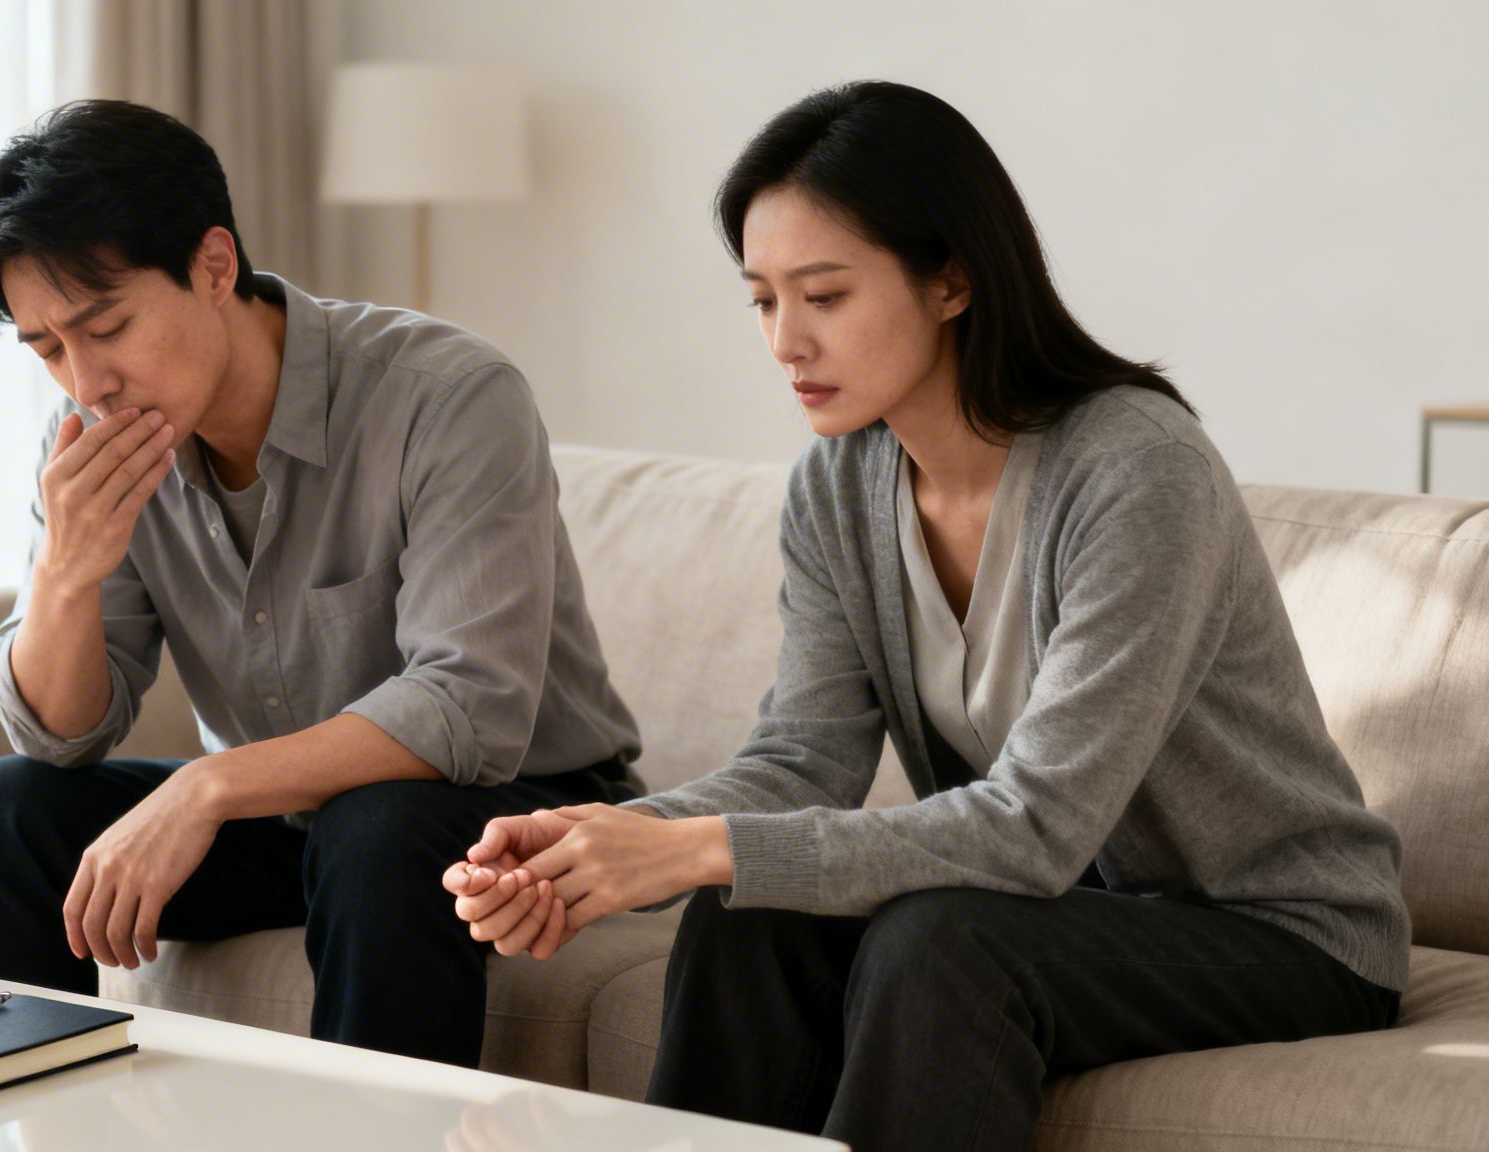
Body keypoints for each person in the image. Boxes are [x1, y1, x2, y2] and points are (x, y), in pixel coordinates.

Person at [444, 80, 1408, 1150]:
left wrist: (696, 848)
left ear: (949, 280)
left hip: (1273, 930)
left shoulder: (1136, 472)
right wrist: (615, 838)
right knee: (745, 912)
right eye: (762, 300)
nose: (784, 342)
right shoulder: (835, 490)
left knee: (940, 943)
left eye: (823, 295)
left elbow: (1035, 830)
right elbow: (799, 761)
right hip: (1053, 914)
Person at [0, 99, 641, 1070]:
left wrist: (206, 786)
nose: (84, 379)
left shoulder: (447, 394)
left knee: (377, 830)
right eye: (47, 348)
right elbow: (61, 735)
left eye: (106, 326)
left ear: (213, 265)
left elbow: (468, 707)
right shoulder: (96, 439)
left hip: (519, 807)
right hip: (295, 818)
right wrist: (64, 571)